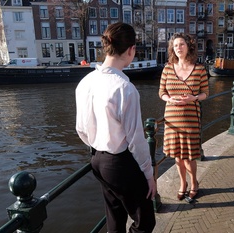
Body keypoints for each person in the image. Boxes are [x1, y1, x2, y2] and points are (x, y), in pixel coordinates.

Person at [75, 22, 156, 233]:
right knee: (145, 221)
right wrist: (149, 175)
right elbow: (137, 140)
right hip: (119, 163)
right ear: (131, 50)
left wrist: (98, 146)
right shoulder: (125, 89)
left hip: (98, 161)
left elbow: (81, 129)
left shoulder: (85, 82)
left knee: (114, 218)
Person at [158, 32, 209, 202]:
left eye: (182, 44)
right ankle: (182, 184)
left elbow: (205, 93)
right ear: (172, 49)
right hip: (172, 120)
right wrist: (169, 99)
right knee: (178, 157)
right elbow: (162, 93)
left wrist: (193, 98)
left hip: (191, 120)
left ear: (188, 47)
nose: (178, 48)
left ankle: (194, 183)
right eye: (175, 45)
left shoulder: (199, 69)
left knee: (190, 156)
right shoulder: (167, 68)